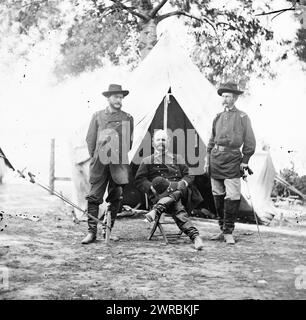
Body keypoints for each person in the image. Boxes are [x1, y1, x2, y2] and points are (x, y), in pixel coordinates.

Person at [135, 129, 204, 250]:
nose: (161, 142)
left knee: (176, 198)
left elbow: (190, 175)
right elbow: (139, 180)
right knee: (176, 206)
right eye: (158, 139)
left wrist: (183, 182)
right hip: (159, 194)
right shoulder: (147, 160)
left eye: (163, 139)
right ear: (153, 143)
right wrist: (151, 187)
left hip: (180, 191)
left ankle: (157, 210)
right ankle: (195, 236)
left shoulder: (178, 158)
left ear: (169, 142)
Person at [81, 84, 134, 244]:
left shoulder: (128, 118)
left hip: (118, 164)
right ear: (108, 98)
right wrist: (97, 156)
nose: (119, 100)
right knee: (93, 197)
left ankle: (107, 230)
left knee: (116, 197)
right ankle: (91, 232)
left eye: (121, 97)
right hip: (99, 164)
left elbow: (129, 143)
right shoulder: (97, 116)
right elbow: (90, 139)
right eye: (116, 97)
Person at [204, 82, 256, 244]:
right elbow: (211, 141)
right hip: (216, 159)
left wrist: (245, 161)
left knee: (232, 196)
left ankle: (229, 232)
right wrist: (207, 160)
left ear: (235, 98)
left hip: (233, 159)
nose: (224, 99)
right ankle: (222, 229)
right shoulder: (217, 117)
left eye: (227, 96)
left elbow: (250, 142)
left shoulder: (243, 117)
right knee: (217, 195)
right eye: (223, 96)